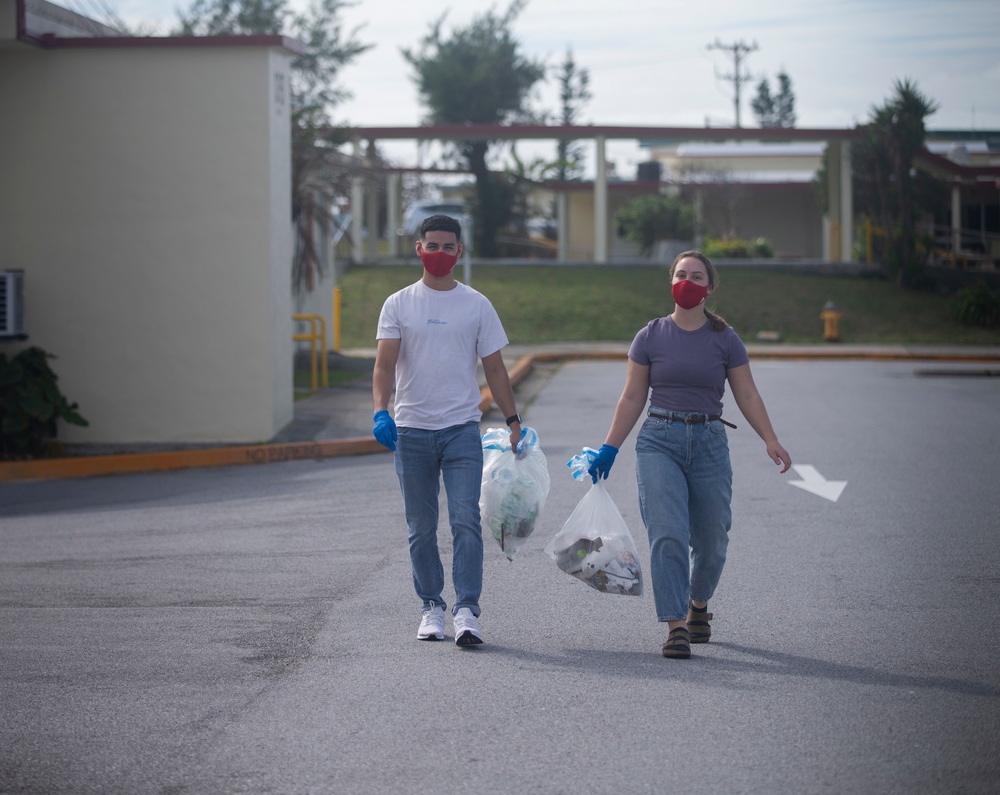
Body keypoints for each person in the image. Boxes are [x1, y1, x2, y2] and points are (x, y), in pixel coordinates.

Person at [584, 250, 791, 659]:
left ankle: (698, 605)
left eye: (697, 276)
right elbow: (631, 396)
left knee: (712, 539)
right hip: (659, 439)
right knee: (668, 534)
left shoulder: (725, 338)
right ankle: (675, 625)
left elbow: (746, 392)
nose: (688, 282)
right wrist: (610, 447)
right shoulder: (650, 335)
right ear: (671, 282)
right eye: (681, 275)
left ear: (709, 288)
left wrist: (769, 437)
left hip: (710, 438)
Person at [372, 214, 523, 647]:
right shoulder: (398, 304)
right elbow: (384, 365)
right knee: (420, 527)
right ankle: (431, 606)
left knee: (465, 521)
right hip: (412, 432)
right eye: (431, 246)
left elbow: (495, 368)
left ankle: (466, 611)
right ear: (418, 249)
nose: (439, 254)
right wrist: (381, 412)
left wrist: (513, 422)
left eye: (447, 247)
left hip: (461, 430)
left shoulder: (476, 304)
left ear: (460, 252)